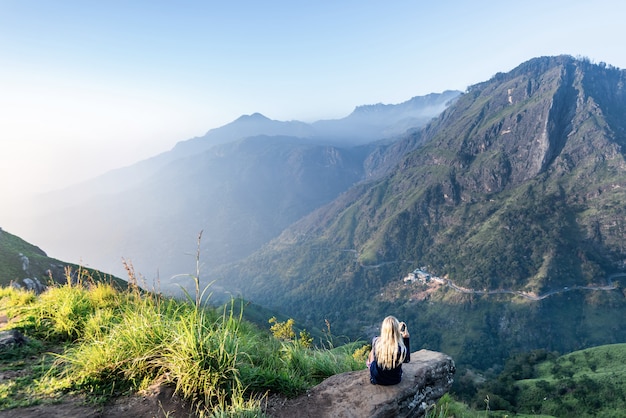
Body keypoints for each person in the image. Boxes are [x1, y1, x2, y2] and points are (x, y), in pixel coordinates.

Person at [366, 315, 410, 385]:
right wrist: (406, 339)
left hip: (378, 379)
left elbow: (376, 349)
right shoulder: (401, 348)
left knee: (373, 350)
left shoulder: (376, 341)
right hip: (395, 380)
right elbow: (406, 360)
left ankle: (369, 364)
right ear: (397, 331)